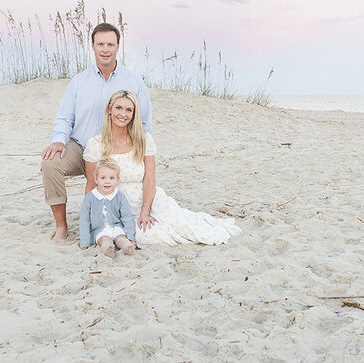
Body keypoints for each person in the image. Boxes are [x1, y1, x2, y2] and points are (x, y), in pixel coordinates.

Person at [41, 22, 152, 243]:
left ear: (118, 47)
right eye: (100, 44)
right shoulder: (79, 82)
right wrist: (58, 140)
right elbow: (64, 117)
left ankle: (108, 224)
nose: (105, 49)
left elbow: (144, 122)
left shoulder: (133, 81)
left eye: (110, 44)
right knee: (50, 163)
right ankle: (62, 227)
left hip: (116, 153)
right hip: (82, 149)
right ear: (92, 46)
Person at [84, 90, 240, 246]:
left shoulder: (144, 140)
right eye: (118, 108)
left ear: (133, 114)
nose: (123, 114)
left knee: (180, 223)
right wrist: (90, 224)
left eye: (128, 110)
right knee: (149, 236)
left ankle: (210, 226)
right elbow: (92, 186)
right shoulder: (95, 144)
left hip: (148, 199)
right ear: (109, 109)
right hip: (117, 207)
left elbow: (150, 178)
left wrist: (145, 211)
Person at [79, 158, 136, 257]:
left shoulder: (120, 196)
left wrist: (131, 237)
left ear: (117, 179)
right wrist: (84, 242)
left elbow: (127, 217)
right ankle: (108, 248)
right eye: (103, 178)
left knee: (120, 237)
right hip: (98, 230)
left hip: (117, 227)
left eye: (111, 178)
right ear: (96, 179)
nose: (107, 182)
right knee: (104, 238)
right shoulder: (90, 197)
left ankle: (126, 246)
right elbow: (84, 220)